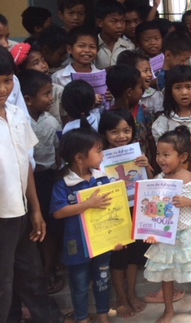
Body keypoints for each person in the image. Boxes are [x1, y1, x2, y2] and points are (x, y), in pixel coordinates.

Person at [0, 46, 64, 323]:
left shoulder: (15, 115)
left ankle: (51, 319)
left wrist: (36, 210)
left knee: (31, 273)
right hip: (2, 217)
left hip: (21, 211)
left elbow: (25, 164)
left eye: (6, 80)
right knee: (3, 283)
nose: (2, 89)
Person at [144, 126, 191, 322]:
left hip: (187, 233)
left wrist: (188, 202)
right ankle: (169, 310)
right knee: (166, 274)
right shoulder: (158, 179)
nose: (161, 159)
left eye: (166, 154)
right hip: (165, 235)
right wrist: (151, 231)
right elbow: (151, 209)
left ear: (183, 157)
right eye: (159, 154)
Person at [51, 128, 113, 323]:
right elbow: (58, 212)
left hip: (102, 244)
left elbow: (114, 211)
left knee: (102, 281)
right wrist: (87, 205)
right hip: (76, 245)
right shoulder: (62, 184)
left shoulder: (102, 178)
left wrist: (117, 238)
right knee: (79, 285)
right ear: (80, 157)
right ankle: (82, 318)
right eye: (99, 151)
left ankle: (103, 315)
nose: (102, 155)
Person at [97, 109, 153, 318]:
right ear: (104, 133)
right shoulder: (99, 157)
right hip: (113, 212)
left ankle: (131, 293)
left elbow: (150, 182)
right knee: (118, 256)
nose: (121, 136)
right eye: (114, 132)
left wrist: (146, 165)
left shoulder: (137, 154)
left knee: (134, 256)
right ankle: (121, 298)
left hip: (135, 209)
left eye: (126, 131)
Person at [18, 69, 64, 294]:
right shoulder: (18, 121)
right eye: (46, 94)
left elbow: (58, 154)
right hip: (24, 179)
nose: (51, 99)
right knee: (29, 227)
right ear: (28, 99)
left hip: (47, 178)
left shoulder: (52, 123)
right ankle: (34, 272)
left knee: (49, 225)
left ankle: (49, 268)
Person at [152, 65, 191, 168]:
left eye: (189, 87)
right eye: (178, 87)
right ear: (170, 91)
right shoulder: (164, 121)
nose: (184, 92)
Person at [107, 64, 156, 166]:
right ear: (129, 92)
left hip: (144, 167)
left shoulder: (143, 112)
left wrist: (154, 167)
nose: (143, 91)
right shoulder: (108, 117)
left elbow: (152, 142)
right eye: (140, 88)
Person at [116, 50, 164, 116]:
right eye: (145, 71)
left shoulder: (155, 96)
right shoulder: (119, 96)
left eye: (150, 70)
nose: (150, 75)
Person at [95, 0, 135, 69]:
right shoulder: (91, 46)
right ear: (100, 23)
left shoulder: (129, 47)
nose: (120, 26)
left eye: (123, 21)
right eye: (114, 21)